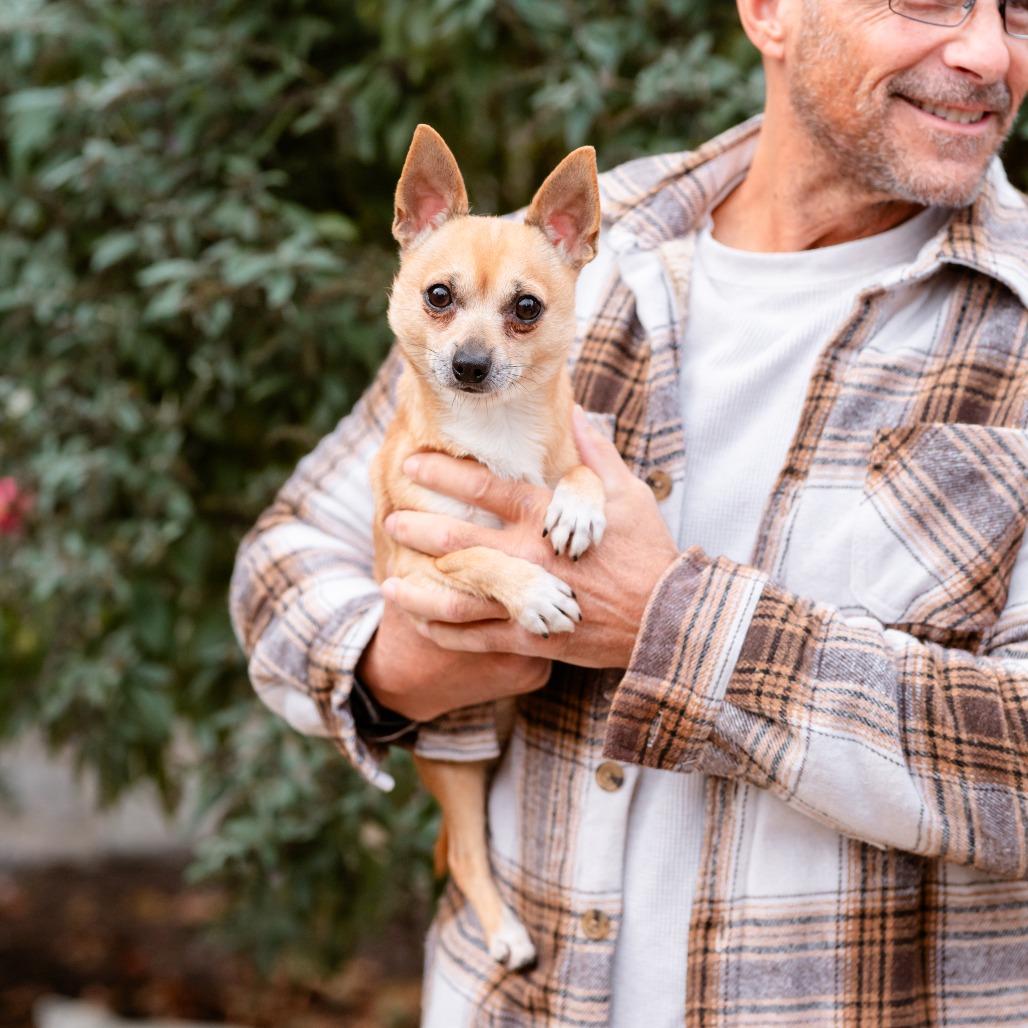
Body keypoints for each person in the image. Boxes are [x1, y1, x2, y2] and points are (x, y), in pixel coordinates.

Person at [229, 0, 1028, 1023]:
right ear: (769, 11)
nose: (981, 51)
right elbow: (286, 554)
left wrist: (670, 621)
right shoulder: (571, 246)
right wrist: (395, 664)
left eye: (1014, 8)